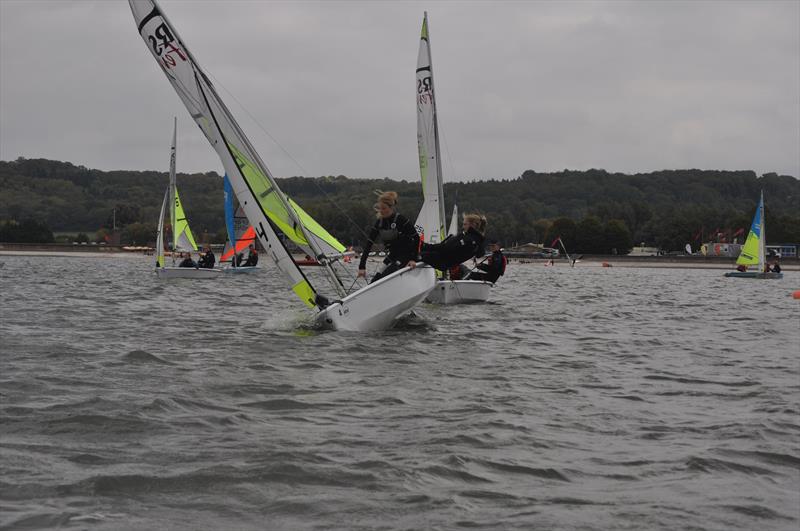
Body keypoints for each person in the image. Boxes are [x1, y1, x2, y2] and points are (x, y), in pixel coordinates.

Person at [358, 191, 420, 283]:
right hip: (392, 255)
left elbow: (416, 238)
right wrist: (362, 267)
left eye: (384, 208)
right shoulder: (379, 223)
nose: (381, 211)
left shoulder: (401, 220)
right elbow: (369, 244)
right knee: (375, 281)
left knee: (386, 276)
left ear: (391, 207)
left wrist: (413, 259)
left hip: (406, 255)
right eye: (380, 208)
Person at [418, 213, 486, 271]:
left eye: (465, 224)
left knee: (416, 256)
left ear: (473, 225)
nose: (463, 227)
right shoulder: (476, 240)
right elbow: (480, 253)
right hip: (444, 261)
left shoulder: (469, 240)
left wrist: (425, 246)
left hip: (442, 261)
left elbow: (447, 248)